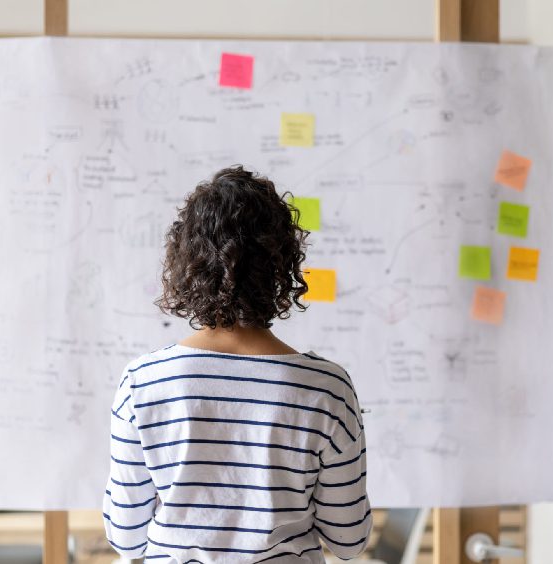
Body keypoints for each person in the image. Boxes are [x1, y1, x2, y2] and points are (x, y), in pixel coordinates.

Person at [103, 166, 371, 563]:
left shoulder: (143, 383)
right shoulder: (328, 389)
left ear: (186, 263)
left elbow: (125, 538)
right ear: (282, 266)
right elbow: (349, 541)